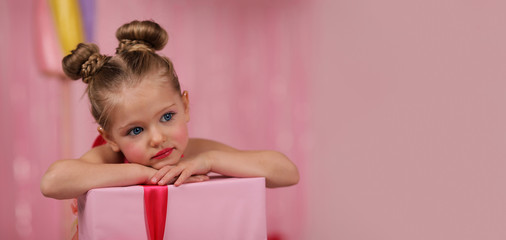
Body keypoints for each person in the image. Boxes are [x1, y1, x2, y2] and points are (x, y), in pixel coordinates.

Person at [40, 20, 299, 200]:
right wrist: (144, 173)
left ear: (184, 106)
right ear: (110, 138)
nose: (157, 138)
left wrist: (210, 160)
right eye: (136, 130)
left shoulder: (195, 152)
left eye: (167, 116)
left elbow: (286, 172)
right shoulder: (107, 159)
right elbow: (52, 182)